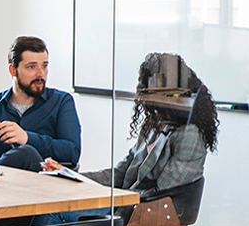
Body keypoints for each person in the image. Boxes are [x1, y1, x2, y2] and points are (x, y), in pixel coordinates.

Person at [84, 52, 217, 197]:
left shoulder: (190, 135)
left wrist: (116, 202)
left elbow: (160, 194)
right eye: (150, 86)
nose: (150, 94)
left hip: (141, 210)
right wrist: (75, 178)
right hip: (122, 201)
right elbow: (120, 174)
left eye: (159, 86)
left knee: (57, 214)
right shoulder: (153, 127)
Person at [0, 35, 80, 172]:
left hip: (40, 183)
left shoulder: (61, 102)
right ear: (13, 70)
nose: (40, 74)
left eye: (44, 66)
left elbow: (72, 152)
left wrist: (27, 138)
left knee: (26, 153)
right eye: (31, 67)